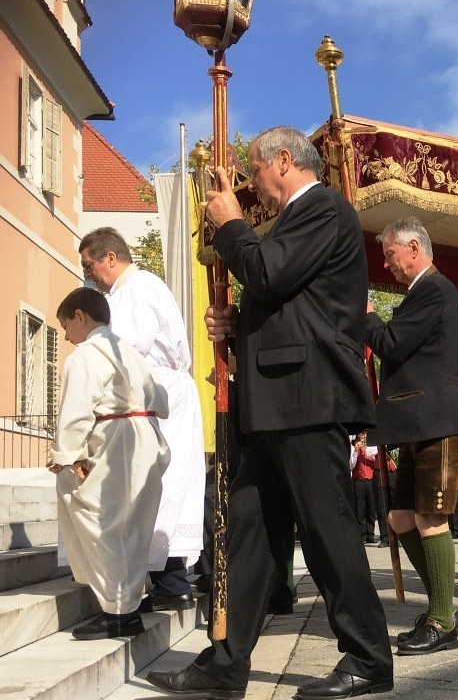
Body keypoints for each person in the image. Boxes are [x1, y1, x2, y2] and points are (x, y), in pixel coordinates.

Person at [147, 126, 392, 699]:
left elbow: (267, 273)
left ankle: (368, 658)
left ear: (284, 160)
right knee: (249, 537)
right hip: (276, 402)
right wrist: (237, 327)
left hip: (308, 398)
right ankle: (226, 661)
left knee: (328, 531)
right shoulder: (293, 221)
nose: (252, 183)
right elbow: (286, 303)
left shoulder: (322, 208)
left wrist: (231, 223)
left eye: (254, 169)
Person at [364, 216, 458, 656]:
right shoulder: (423, 293)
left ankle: (441, 620)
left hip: (440, 419)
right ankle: (444, 607)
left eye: (390, 255)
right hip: (419, 421)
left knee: (431, 518)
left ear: (413, 248)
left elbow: (392, 343)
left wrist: (367, 318)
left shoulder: (434, 289)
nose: (387, 265)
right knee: (400, 518)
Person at [79, 227, 204, 611]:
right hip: (156, 390)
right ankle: (167, 581)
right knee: (158, 486)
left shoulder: (137, 286)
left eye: (89, 266)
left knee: (154, 486)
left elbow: (130, 346)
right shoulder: (128, 289)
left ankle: (168, 582)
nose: (88, 275)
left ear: (110, 257)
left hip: (155, 392)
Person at [49, 288, 170, 640]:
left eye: (65, 325)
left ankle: (119, 614)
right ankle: (132, 598)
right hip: (146, 437)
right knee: (130, 526)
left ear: (80, 316)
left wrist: (68, 455)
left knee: (99, 521)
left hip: (116, 442)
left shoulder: (86, 354)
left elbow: (76, 409)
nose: (66, 336)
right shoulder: (128, 351)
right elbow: (160, 397)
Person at [352, 433, 379, 544]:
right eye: (362, 434)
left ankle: (371, 534)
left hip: (371, 479)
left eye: (365, 434)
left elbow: (373, 454)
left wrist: (366, 447)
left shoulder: (372, 447)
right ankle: (362, 534)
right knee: (360, 508)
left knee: (371, 508)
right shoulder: (353, 447)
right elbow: (351, 465)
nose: (364, 436)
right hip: (359, 479)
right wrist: (355, 451)